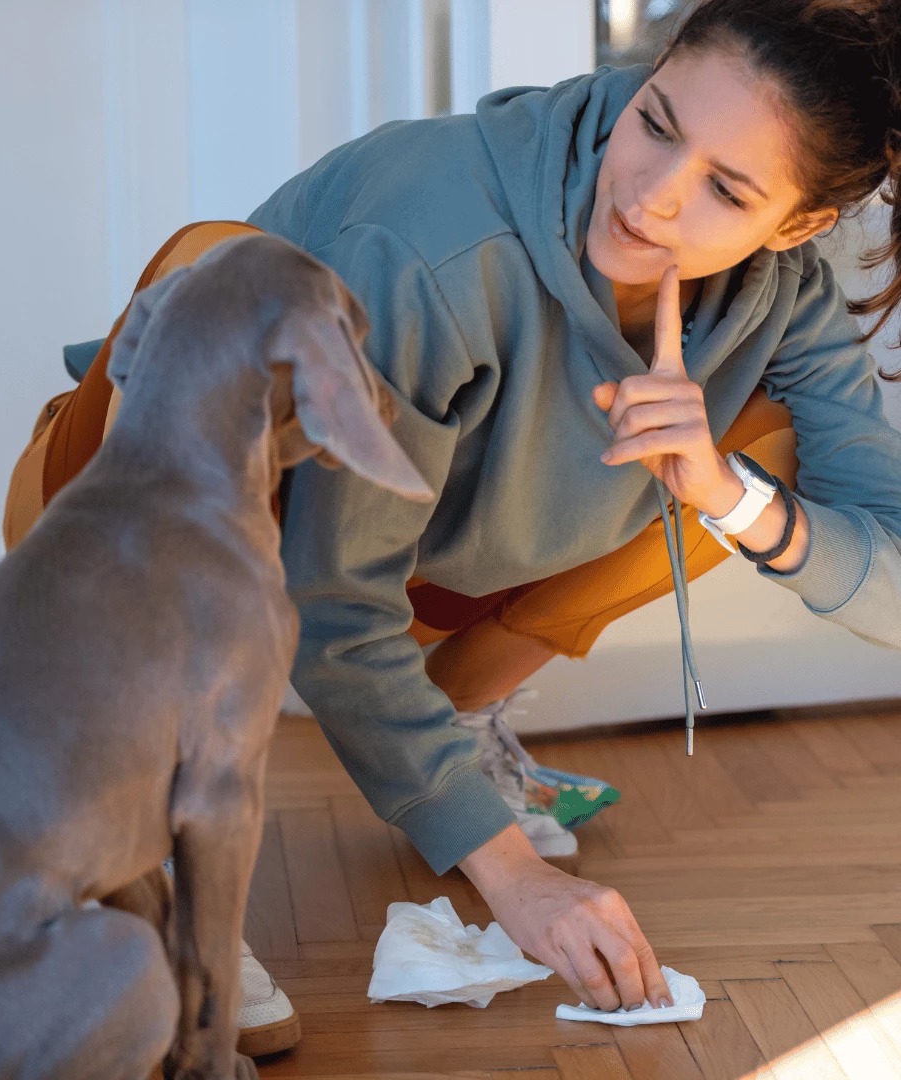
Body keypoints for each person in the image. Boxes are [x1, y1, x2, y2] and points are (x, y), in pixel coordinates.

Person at [243, 0, 901, 1012]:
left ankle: (454, 726)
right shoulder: (438, 247)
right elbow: (330, 597)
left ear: (804, 223)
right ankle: (155, 877)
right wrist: (519, 880)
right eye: (657, 122)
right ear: (652, 70)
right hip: (170, 534)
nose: (650, 198)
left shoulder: (782, 294)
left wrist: (728, 497)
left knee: (748, 449)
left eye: (726, 189)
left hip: (425, 547)